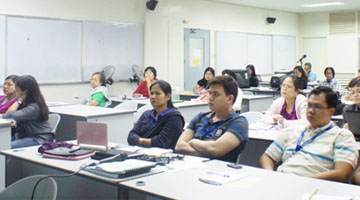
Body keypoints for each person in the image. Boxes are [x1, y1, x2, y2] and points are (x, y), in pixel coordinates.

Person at [259, 86, 358, 182]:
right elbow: (267, 157)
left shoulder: (342, 136)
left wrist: (303, 182)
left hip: (313, 188)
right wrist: (271, 176)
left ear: (331, 111)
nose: (311, 111)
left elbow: (342, 174)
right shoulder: (292, 130)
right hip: (281, 182)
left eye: (317, 107)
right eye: (309, 105)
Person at [175, 75, 248, 162]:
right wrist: (208, 153)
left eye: (216, 94)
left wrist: (193, 142)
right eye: (209, 93)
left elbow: (215, 150)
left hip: (220, 171)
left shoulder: (239, 122)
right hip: (190, 166)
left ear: (229, 98)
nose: (210, 98)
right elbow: (179, 146)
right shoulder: (200, 117)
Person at [128, 80, 185, 149]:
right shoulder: (146, 114)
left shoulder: (175, 117)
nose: (153, 97)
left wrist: (140, 141)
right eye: (152, 93)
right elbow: (131, 135)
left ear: (168, 96)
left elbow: (162, 142)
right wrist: (143, 141)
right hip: (141, 152)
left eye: (157, 94)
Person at [0, 75, 53, 149]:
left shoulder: (33, 107)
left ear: (25, 92)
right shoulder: (25, 104)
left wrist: (19, 100)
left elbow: (9, 114)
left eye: (17, 90)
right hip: (24, 136)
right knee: (3, 142)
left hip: (38, 138)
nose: (15, 92)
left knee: (5, 146)